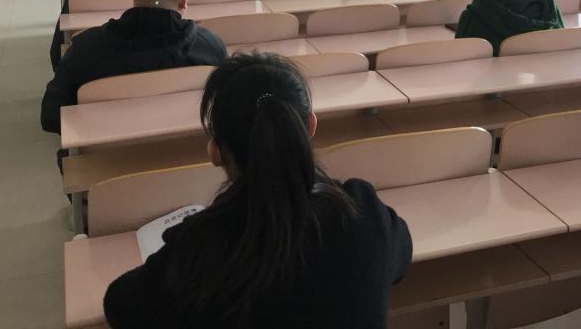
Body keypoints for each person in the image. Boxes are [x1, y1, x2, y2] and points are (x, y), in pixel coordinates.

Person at [103, 52, 412, 329]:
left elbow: (120, 306)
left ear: (215, 151)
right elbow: (400, 256)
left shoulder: (199, 247)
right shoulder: (363, 213)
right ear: (310, 126)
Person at [41, 0, 227, 134]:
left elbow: (51, 116)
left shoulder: (85, 49)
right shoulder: (211, 48)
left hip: (109, 149)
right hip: (191, 149)